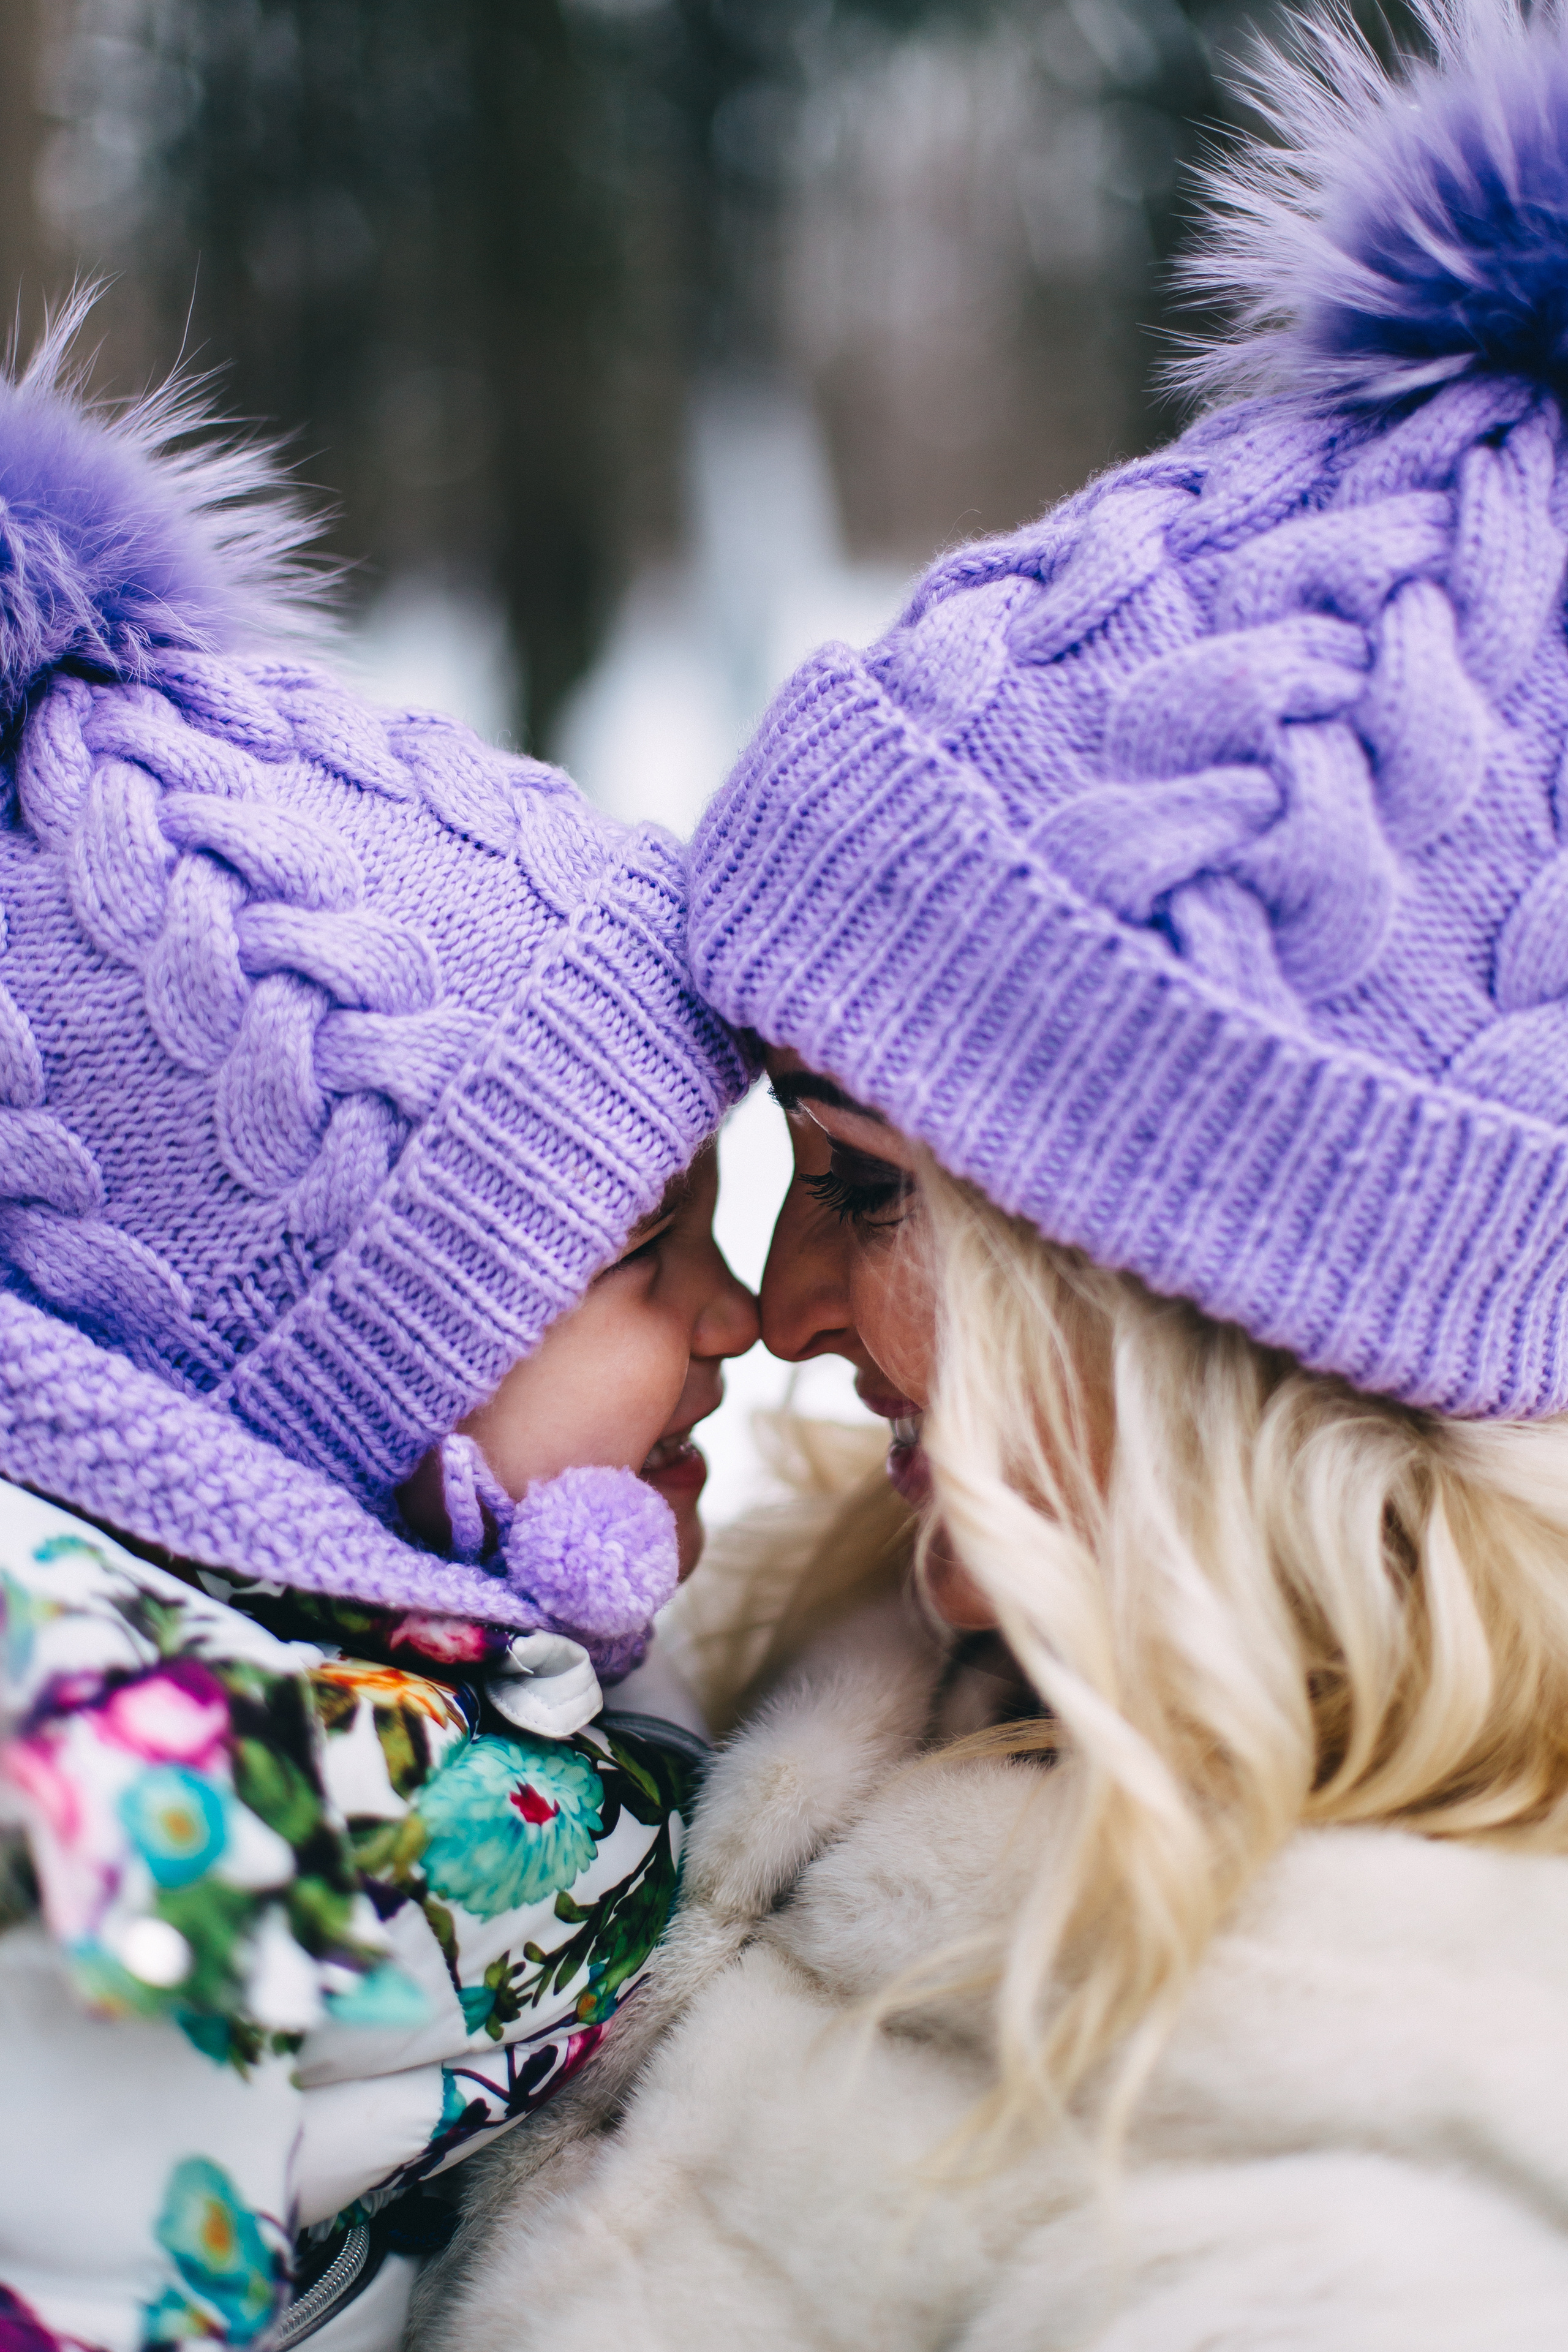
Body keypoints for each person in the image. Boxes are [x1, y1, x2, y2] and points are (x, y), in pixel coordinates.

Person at [417, 3, 1568, 2343]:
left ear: (1212, 1277)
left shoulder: (1342, 2233)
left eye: (861, 1184)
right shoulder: (871, 1650)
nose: (785, 1305)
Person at [0, 312, 758, 2350]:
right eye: (647, 1252)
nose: (746, 1316)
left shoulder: (386, 1760)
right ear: (312, 1404)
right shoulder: (100, 1877)